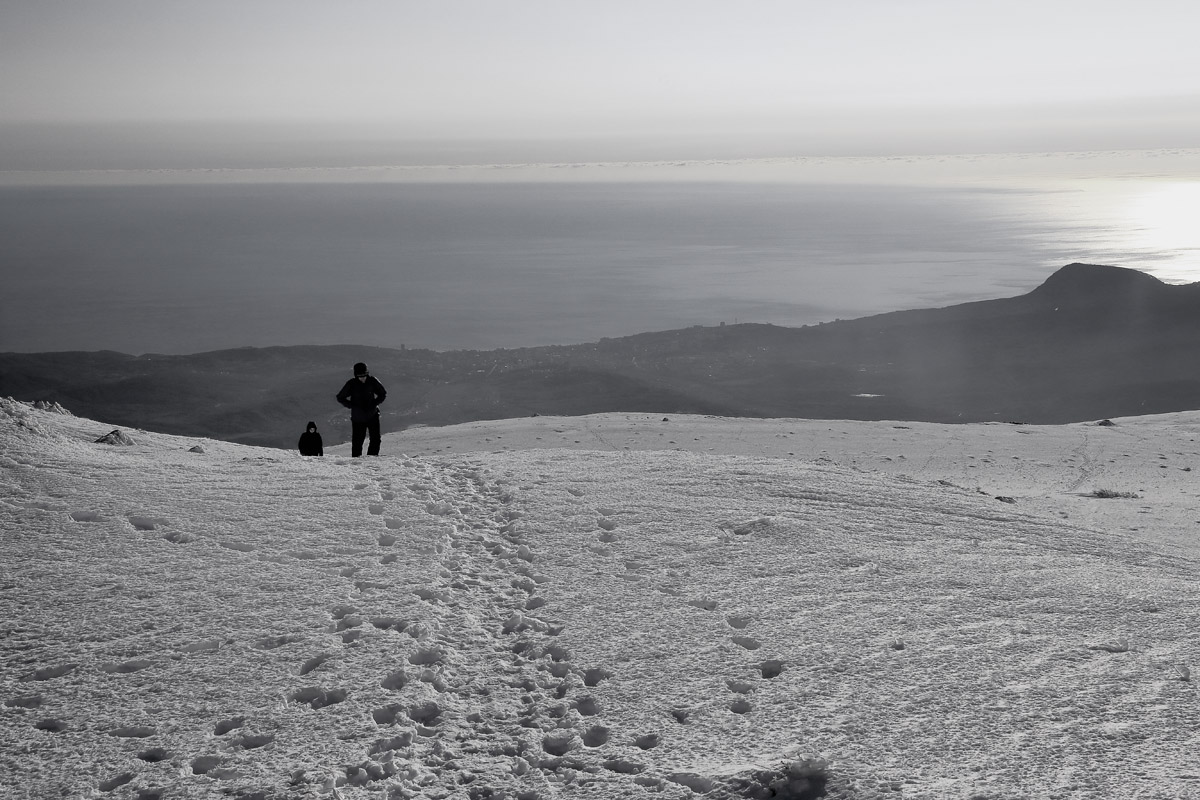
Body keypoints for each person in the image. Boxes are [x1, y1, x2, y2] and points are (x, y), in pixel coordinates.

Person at [336, 362, 387, 457]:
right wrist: (352, 406)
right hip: (358, 418)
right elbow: (340, 397)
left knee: (375, 439)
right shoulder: (351, 384)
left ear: (367, 373)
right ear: (356, 375)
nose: (363, 378)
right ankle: (356, 461)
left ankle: (371, 458)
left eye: (364, 375)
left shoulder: (372, 381)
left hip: (373, 415)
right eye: (360, 376)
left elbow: (383, 393)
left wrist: (374, 403)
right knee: (357, 441)